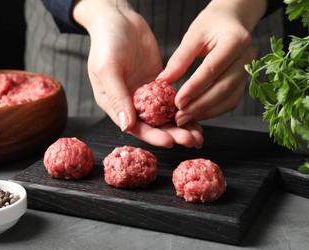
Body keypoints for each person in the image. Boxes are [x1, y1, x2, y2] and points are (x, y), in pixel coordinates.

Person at [25, 0, 283, 148]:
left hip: (234, 37)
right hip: (86, 32)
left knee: (239, 147)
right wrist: (101, 10)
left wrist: (237, 8)